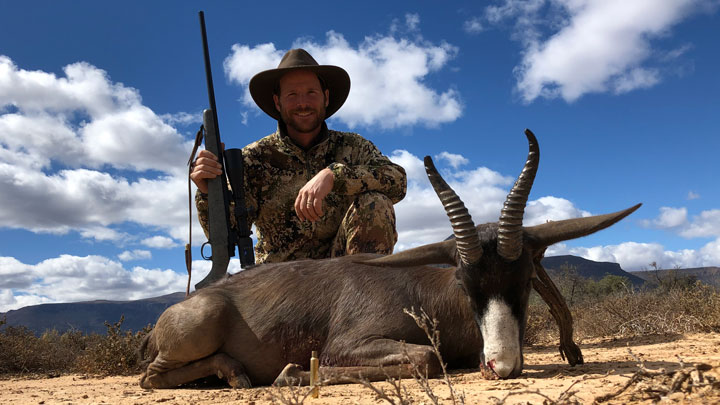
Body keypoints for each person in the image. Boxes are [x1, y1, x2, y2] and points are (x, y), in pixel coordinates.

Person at [191, 48, 407, 263]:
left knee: (375, 203)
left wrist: (334, 176)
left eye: (311, 93)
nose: (303, 103)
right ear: (278, 102)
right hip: (280, 282)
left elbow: (397, 180)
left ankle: (362, 295)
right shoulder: (254, 158)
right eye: (292, 95)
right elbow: (228, 235)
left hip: (344, 278)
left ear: (326, 97)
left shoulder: (353, 146)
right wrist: (208, 193)